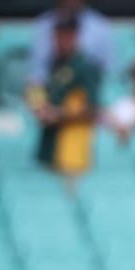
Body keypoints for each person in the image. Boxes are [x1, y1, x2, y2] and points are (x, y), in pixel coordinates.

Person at [27, 14, 100, 177]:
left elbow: (93, 110)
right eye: (59, 35)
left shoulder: (84, 67)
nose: (62, 41)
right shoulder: (54, 63)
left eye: (68, 35)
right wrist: (36, 103)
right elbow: (45, 95)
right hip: (49, 145)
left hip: (71, 148)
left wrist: (59, 115)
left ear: (75, 37)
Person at [28, 0, 112, 85]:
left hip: (88, 90)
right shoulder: (43, 24)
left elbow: (108, 70)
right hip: (49, 88)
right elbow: (37, 69)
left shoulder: (100, 26)